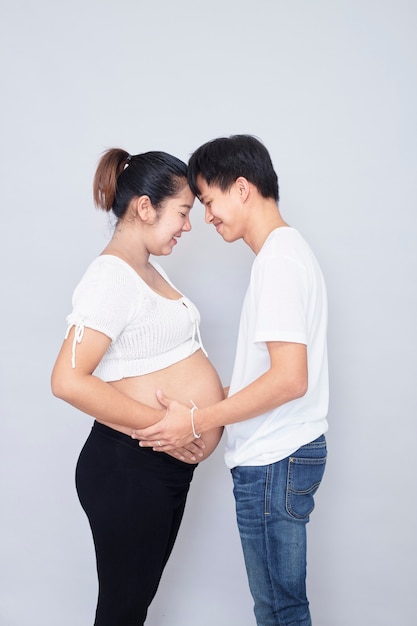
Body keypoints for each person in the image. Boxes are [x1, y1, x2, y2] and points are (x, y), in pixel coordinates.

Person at [133, 135, 329, 626]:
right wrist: (216, 395)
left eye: (208, 200)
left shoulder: (279, 261)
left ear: (242, 188)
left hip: (274, 460)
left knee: (280, 610)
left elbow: (290, 380)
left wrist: (198, 418)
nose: (206, 215)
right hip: (280, 456)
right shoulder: (286, 252)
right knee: (280, 606)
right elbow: (276, 374)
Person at [51, 147, 224, 626]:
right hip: (129, 469)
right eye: (183, 212)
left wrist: (200, 415)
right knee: (122, 613)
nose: (188, 226)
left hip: (159, 469)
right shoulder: (110, 276)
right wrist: (169, 424)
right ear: (145, 207)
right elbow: (66, 379)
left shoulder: (147, 268)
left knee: (131, 610)